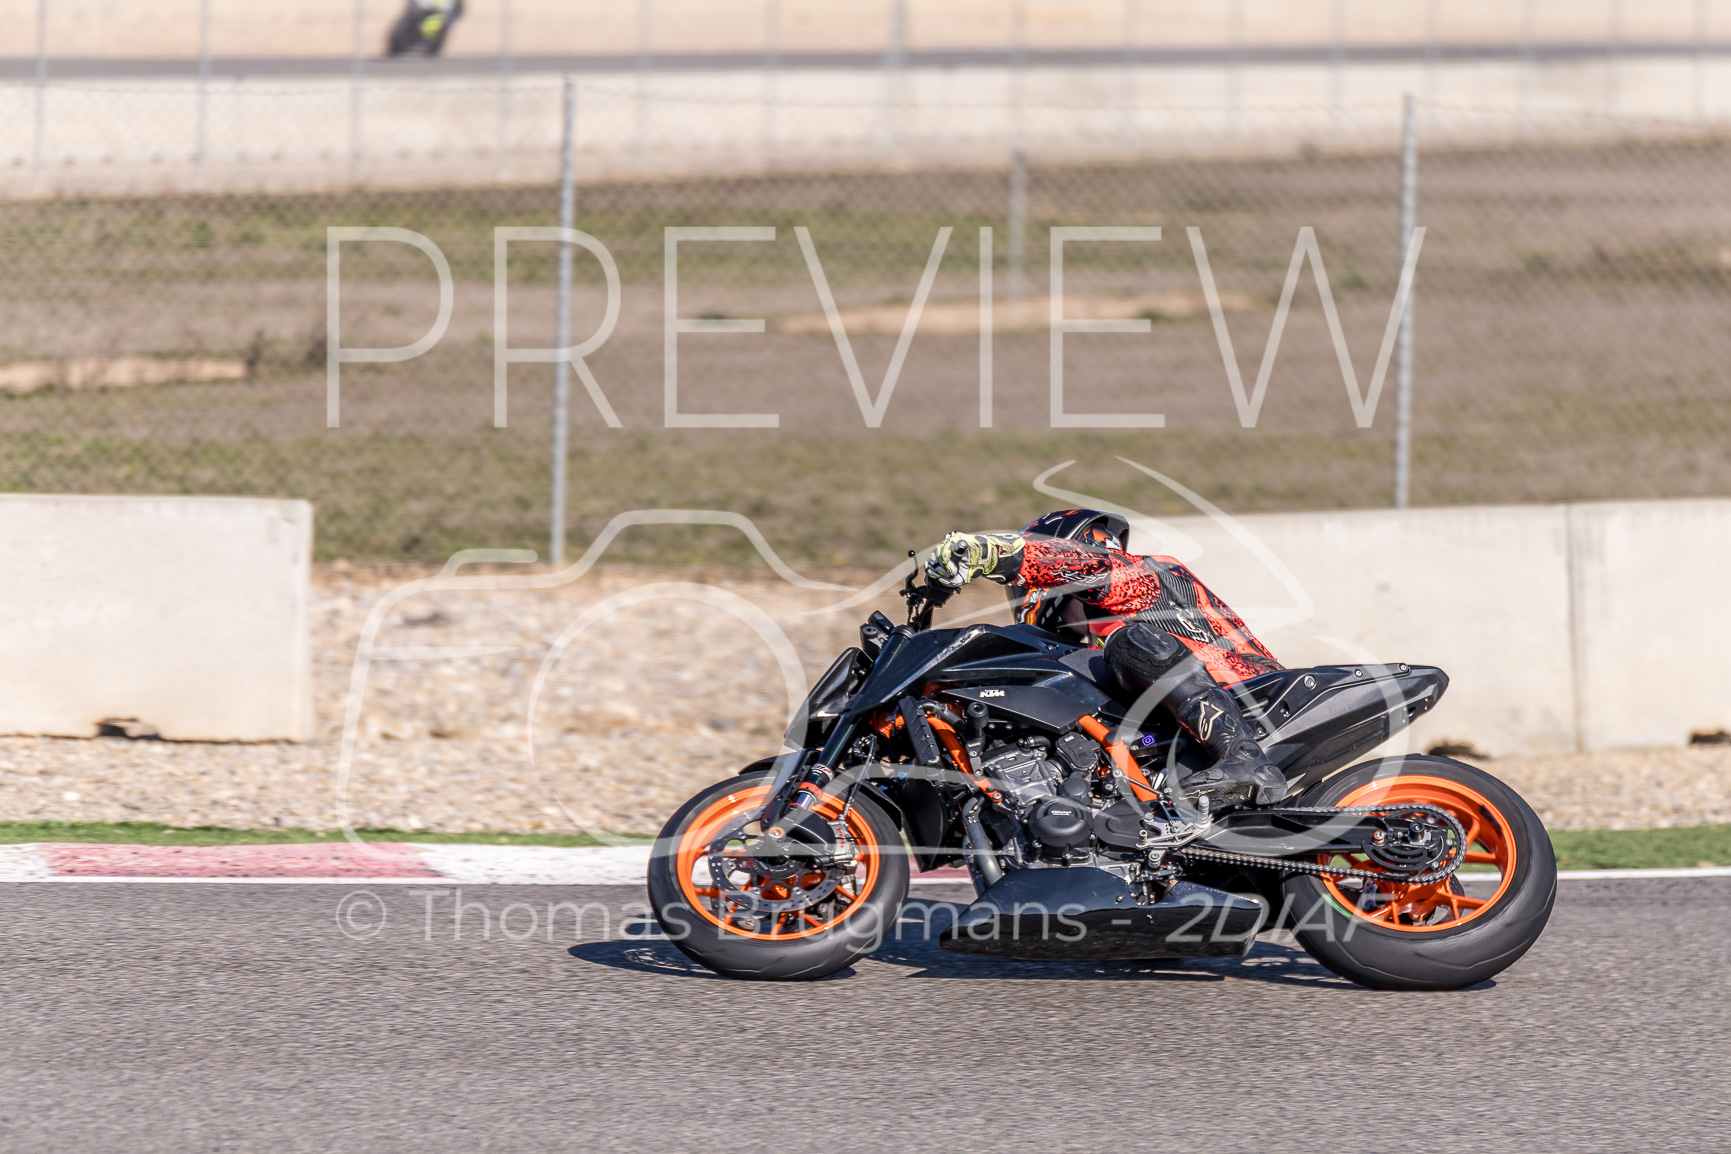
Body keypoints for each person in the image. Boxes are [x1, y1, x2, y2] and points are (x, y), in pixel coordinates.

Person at [925, 509, 1287, 810]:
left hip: (1254, 697)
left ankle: (1242, 755)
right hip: (1188, 731)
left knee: (1128, 642)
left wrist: (997, 553)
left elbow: (1092, 567)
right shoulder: (1106, 650)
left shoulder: (1147, 579)